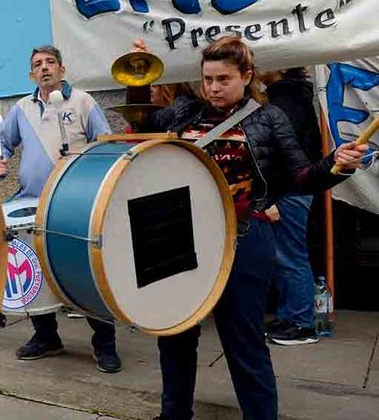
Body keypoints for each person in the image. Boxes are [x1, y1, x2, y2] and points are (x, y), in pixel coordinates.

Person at [135, 36, 367, 420]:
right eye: (208, 79)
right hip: (181, 239)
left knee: (244, 343)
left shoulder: (268, 117)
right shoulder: (184, 112)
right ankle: (174, 414)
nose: (213, 88)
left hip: (242, 237)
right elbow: (141, 125)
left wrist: (335, 164)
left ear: (246, 75)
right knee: (174, 336)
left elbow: (301, 176)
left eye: (223, 79)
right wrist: (138, 74)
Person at [0, 45, 121, 373]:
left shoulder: (83, 102)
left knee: (84, 272)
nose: (44, 68)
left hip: (73, 202)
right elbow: (2, 140)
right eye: (38, 64)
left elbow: (105, 143)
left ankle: (104, 342)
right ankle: (46, 336)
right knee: (33, 272)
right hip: (33, 200)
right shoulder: (21, 108)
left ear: (62, 70)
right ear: (31, 74)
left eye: (51, 62)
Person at [260, 68, 323, 345]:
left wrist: (270, 195)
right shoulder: (290, 93)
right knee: (286, 254)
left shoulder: (286, 96)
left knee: (289, 255)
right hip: (290, 187)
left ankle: (300, 322)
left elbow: (282, 150)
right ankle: (292, 316)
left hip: (288, 188)